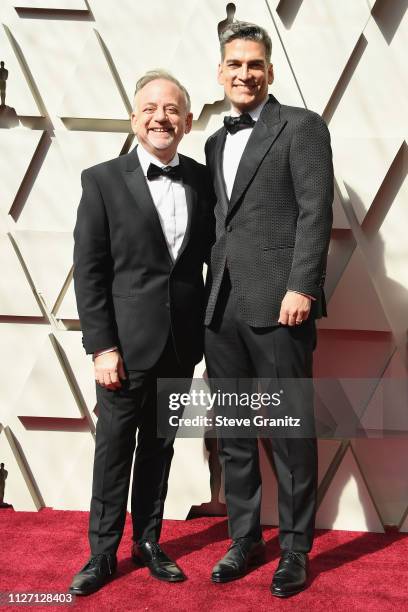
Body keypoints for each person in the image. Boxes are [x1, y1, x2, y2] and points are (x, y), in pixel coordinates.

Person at [69, 70, 214, 596]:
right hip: (123, 349)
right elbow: (90, 270)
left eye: (172, 109)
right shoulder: (102, 180)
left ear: (188, 120)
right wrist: (101, 345)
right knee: (114, 449)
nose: (161, 117)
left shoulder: (202, 180)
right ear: (135, 119)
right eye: (150, 108)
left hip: (180, 343)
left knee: (161, 447)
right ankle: (102, 552)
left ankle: (148, 541)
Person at [204, 22, 333, 597]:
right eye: (235, 64)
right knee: (233, 432)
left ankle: (297, 549)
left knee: (288, 432)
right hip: (221, 307)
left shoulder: (302, 127)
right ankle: (244, 538)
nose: (245, 74)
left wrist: (302, 287)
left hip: (282, 304)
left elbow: (315, 210)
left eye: (255, 64)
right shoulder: (212, 141)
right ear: (221, 71)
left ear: (270, 70)